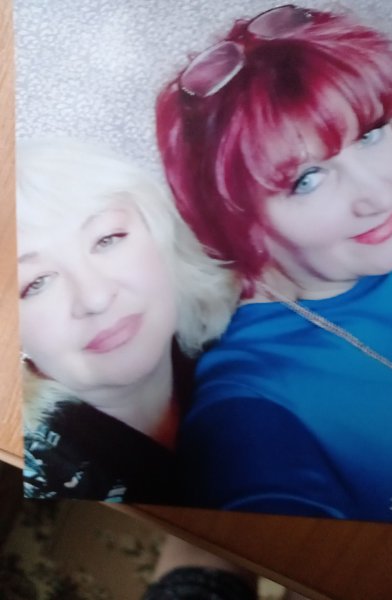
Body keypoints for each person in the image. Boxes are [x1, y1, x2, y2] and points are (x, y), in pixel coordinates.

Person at [155, 5, 392, 522]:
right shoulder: (251, 404)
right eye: (307, 179)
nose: (378, 196)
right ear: (236, 218)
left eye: (369, 134)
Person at [18, 138, 237, 502]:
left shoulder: (252, 340)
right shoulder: (30, 478)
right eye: (36, 283)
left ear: (161, 234)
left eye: (107, 239)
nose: (95, 297)